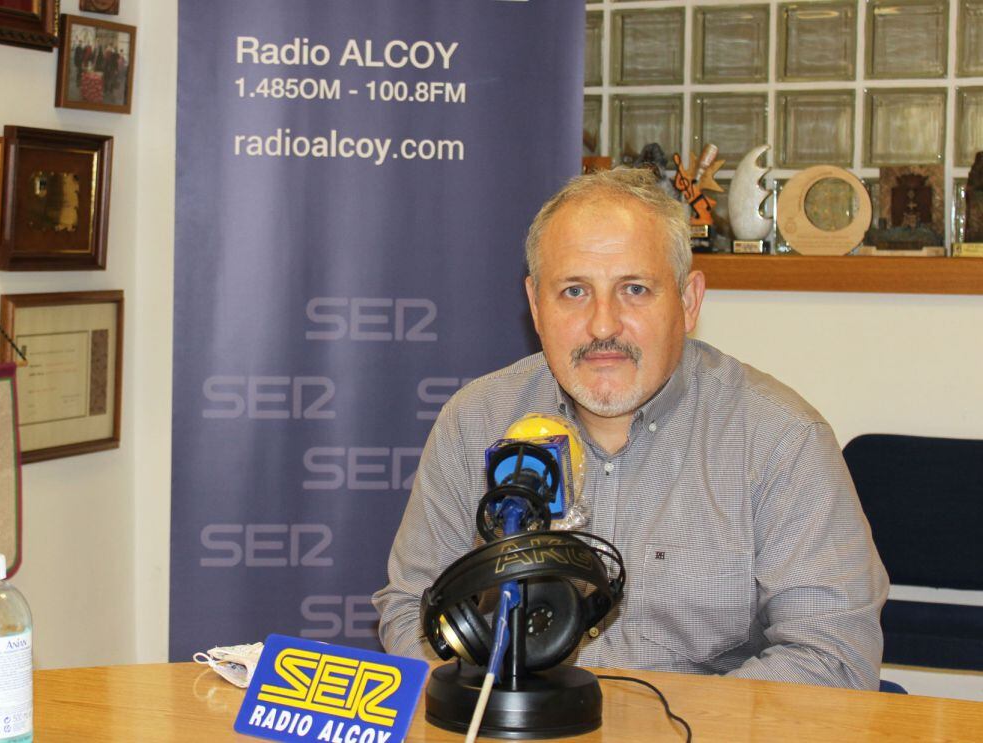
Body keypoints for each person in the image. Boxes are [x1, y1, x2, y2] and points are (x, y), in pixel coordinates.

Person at [372, 167, 889, 690]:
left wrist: (657, 726)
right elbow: (411, 608)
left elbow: (835, 654)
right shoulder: (475, 421)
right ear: (534, 306)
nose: (603, 326)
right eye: (574, 291)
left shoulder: (779, 437)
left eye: (635, 289)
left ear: (688, 302)